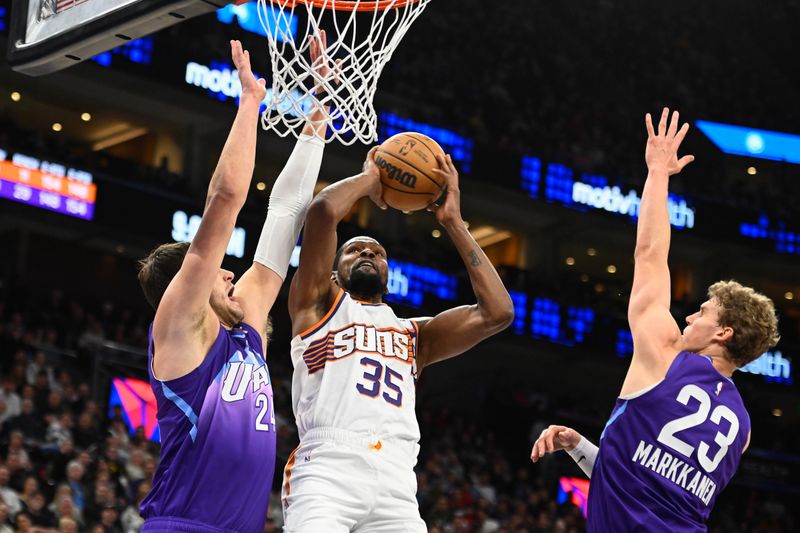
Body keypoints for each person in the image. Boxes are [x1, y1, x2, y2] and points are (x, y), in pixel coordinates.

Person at [530, 108, 780, 531]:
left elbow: (649, 255)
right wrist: (580, 447)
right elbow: (648, 491)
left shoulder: (665, 353)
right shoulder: (743, 427)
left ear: (723, 332)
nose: (689, 316)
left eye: (702, 311)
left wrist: (657, 173)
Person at [135, 35, 333, 532]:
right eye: (217, 267)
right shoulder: (179, 327)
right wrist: (250, 104)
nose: (230, 271)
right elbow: (225, 199)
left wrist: (317, 115)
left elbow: (286, 213)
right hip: (182, 525)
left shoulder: (244, 325)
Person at [282, 149, 514, 531]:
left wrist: (454, 223)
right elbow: (323, 211)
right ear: (335, 274)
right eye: (355, 250)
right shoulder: (319, 305)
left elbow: (497, 313)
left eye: (378, 251)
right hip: (328, 468)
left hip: (396, 477)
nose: (368, 252)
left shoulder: (416, 334)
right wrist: (372, 180)